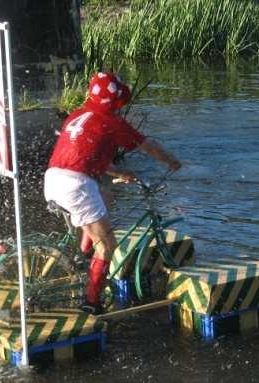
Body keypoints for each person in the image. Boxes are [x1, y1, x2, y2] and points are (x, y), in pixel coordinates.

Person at [44, 72, 182, 315]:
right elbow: (147, 145)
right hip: (76, 185)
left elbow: (83, 155)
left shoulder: (78, 116)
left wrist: (117, 171)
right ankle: (91, 303)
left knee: (106, 196)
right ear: (114, 101)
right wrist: (172, 162)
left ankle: (86, 254)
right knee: (109, 245)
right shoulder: (111, 121)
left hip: (54, 177)